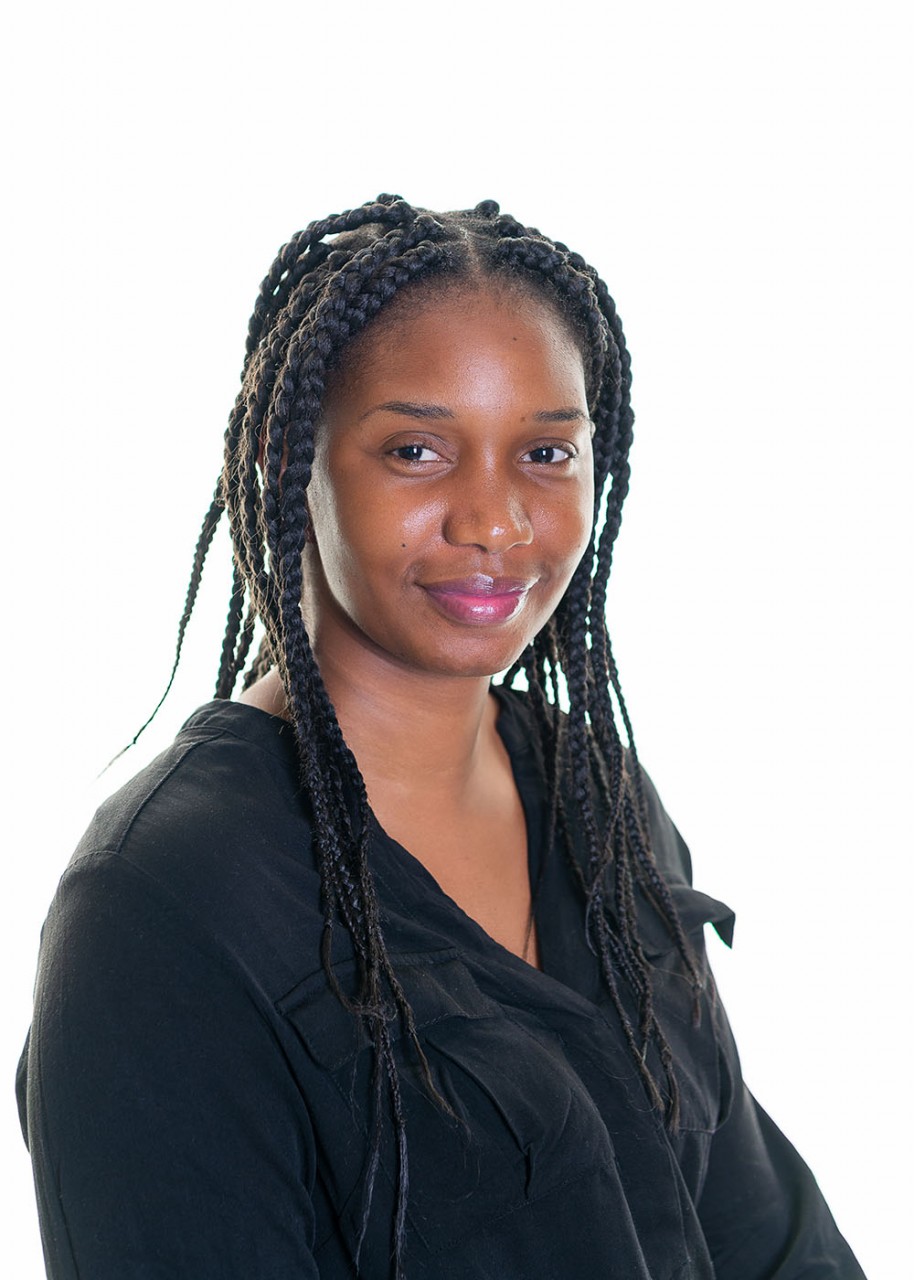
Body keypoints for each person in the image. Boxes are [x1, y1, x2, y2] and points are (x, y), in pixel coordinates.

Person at [17, 196, 865, 1279]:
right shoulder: (166, 902)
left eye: (545, 452)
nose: (494, 521)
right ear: (290, 455)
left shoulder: (596, 795)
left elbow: (765, 1238)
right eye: (416, 450)